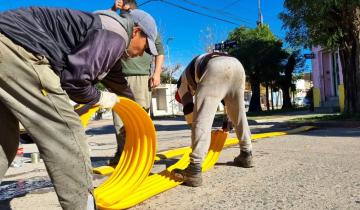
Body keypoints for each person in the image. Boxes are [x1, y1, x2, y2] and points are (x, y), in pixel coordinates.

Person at [0, 7, 158, 209]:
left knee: (4, 138)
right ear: (136, 31)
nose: (141, 54)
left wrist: (137, 112)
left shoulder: (106, 31)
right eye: (145, 47)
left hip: (6, 38)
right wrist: (99, 97)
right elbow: (74, 82)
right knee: (67, 134)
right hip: (20, 47)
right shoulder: (116, 34)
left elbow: (117, 82)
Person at [172, 52, 254, 187]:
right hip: (236, 65)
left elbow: (190, 112)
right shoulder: (194, 72)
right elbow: (226, 99)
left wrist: (196, 129)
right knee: (239, 114)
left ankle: (194, 169)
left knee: (201, 119)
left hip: (215, 67)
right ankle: (246, 154)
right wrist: (227, 120)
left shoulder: (181, 84)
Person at [108, 0, 165, 166]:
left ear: (130, 7)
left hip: (140, 77)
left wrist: (156, 73)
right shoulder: (120, 22)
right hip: (118, 77)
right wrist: (113, 8)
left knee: (140, 118)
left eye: (124, 9)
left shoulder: (146, 25)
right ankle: (123, 154)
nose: (122, 13)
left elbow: (159, 52)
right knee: (119, 119)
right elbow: (105, 22)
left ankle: (141, 154)